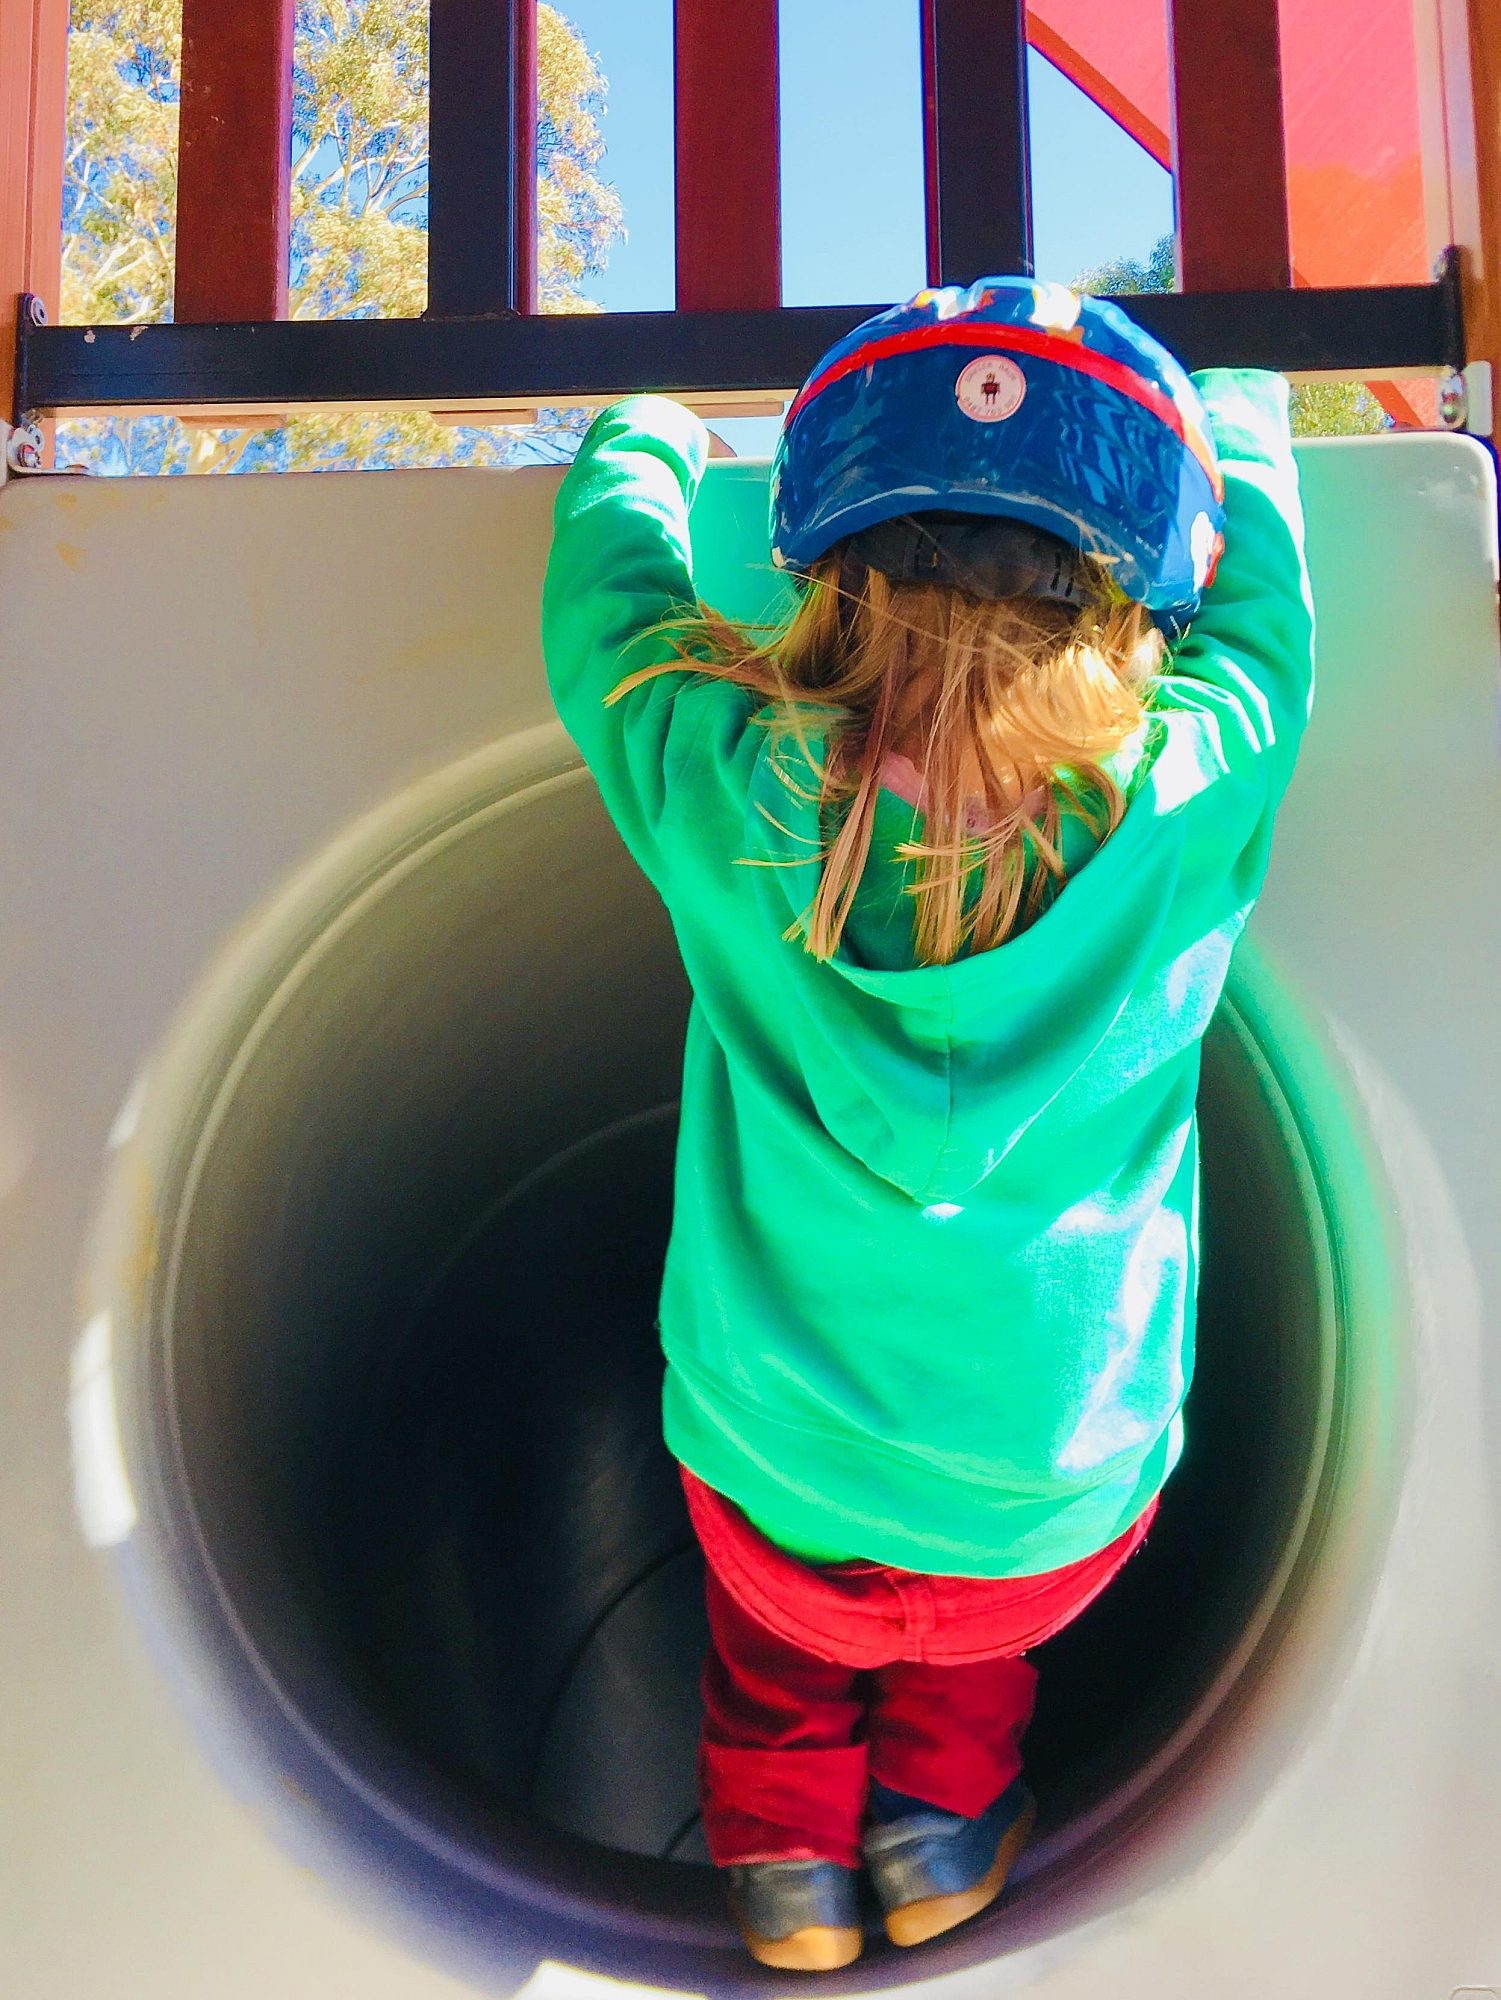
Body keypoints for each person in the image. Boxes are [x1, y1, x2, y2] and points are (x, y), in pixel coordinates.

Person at [541, 277, 1313, 1972]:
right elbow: (1267, 635)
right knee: (969, 1656)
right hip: (1052, 1507)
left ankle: (784, 1875)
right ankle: (937, 1834)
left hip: (770, 1463)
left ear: (828, 568)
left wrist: (641, 436)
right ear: (1132, 590)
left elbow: (600, 623)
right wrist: (1243, 425)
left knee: (780, 1650)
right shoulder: (1185, 789)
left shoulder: (734, 786)